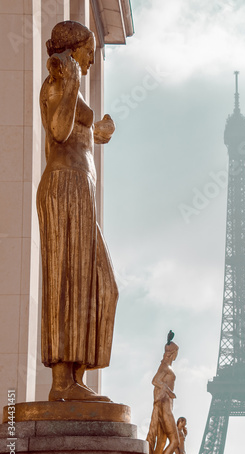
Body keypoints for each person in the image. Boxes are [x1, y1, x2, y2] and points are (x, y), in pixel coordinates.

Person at [37, 21, 118, 402]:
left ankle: (76, 376)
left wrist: (99, 129)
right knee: (66, 279)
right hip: (63, 186)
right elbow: (57, 130)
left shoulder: (74, 87)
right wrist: (69, 85)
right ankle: (61, 383)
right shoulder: (58, 82)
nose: (92, 58)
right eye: (90, 50)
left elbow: (82, 125)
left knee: (99, 284)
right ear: (75, 49)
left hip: (79, 189)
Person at [144, 331, 180, 454]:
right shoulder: (165, 365)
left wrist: (168, 392)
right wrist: (168, 390)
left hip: (166, 406)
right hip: (165, 408)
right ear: (173, 353)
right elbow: (155, 380)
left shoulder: (167, 366)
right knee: (175, 441)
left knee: (161, 443)